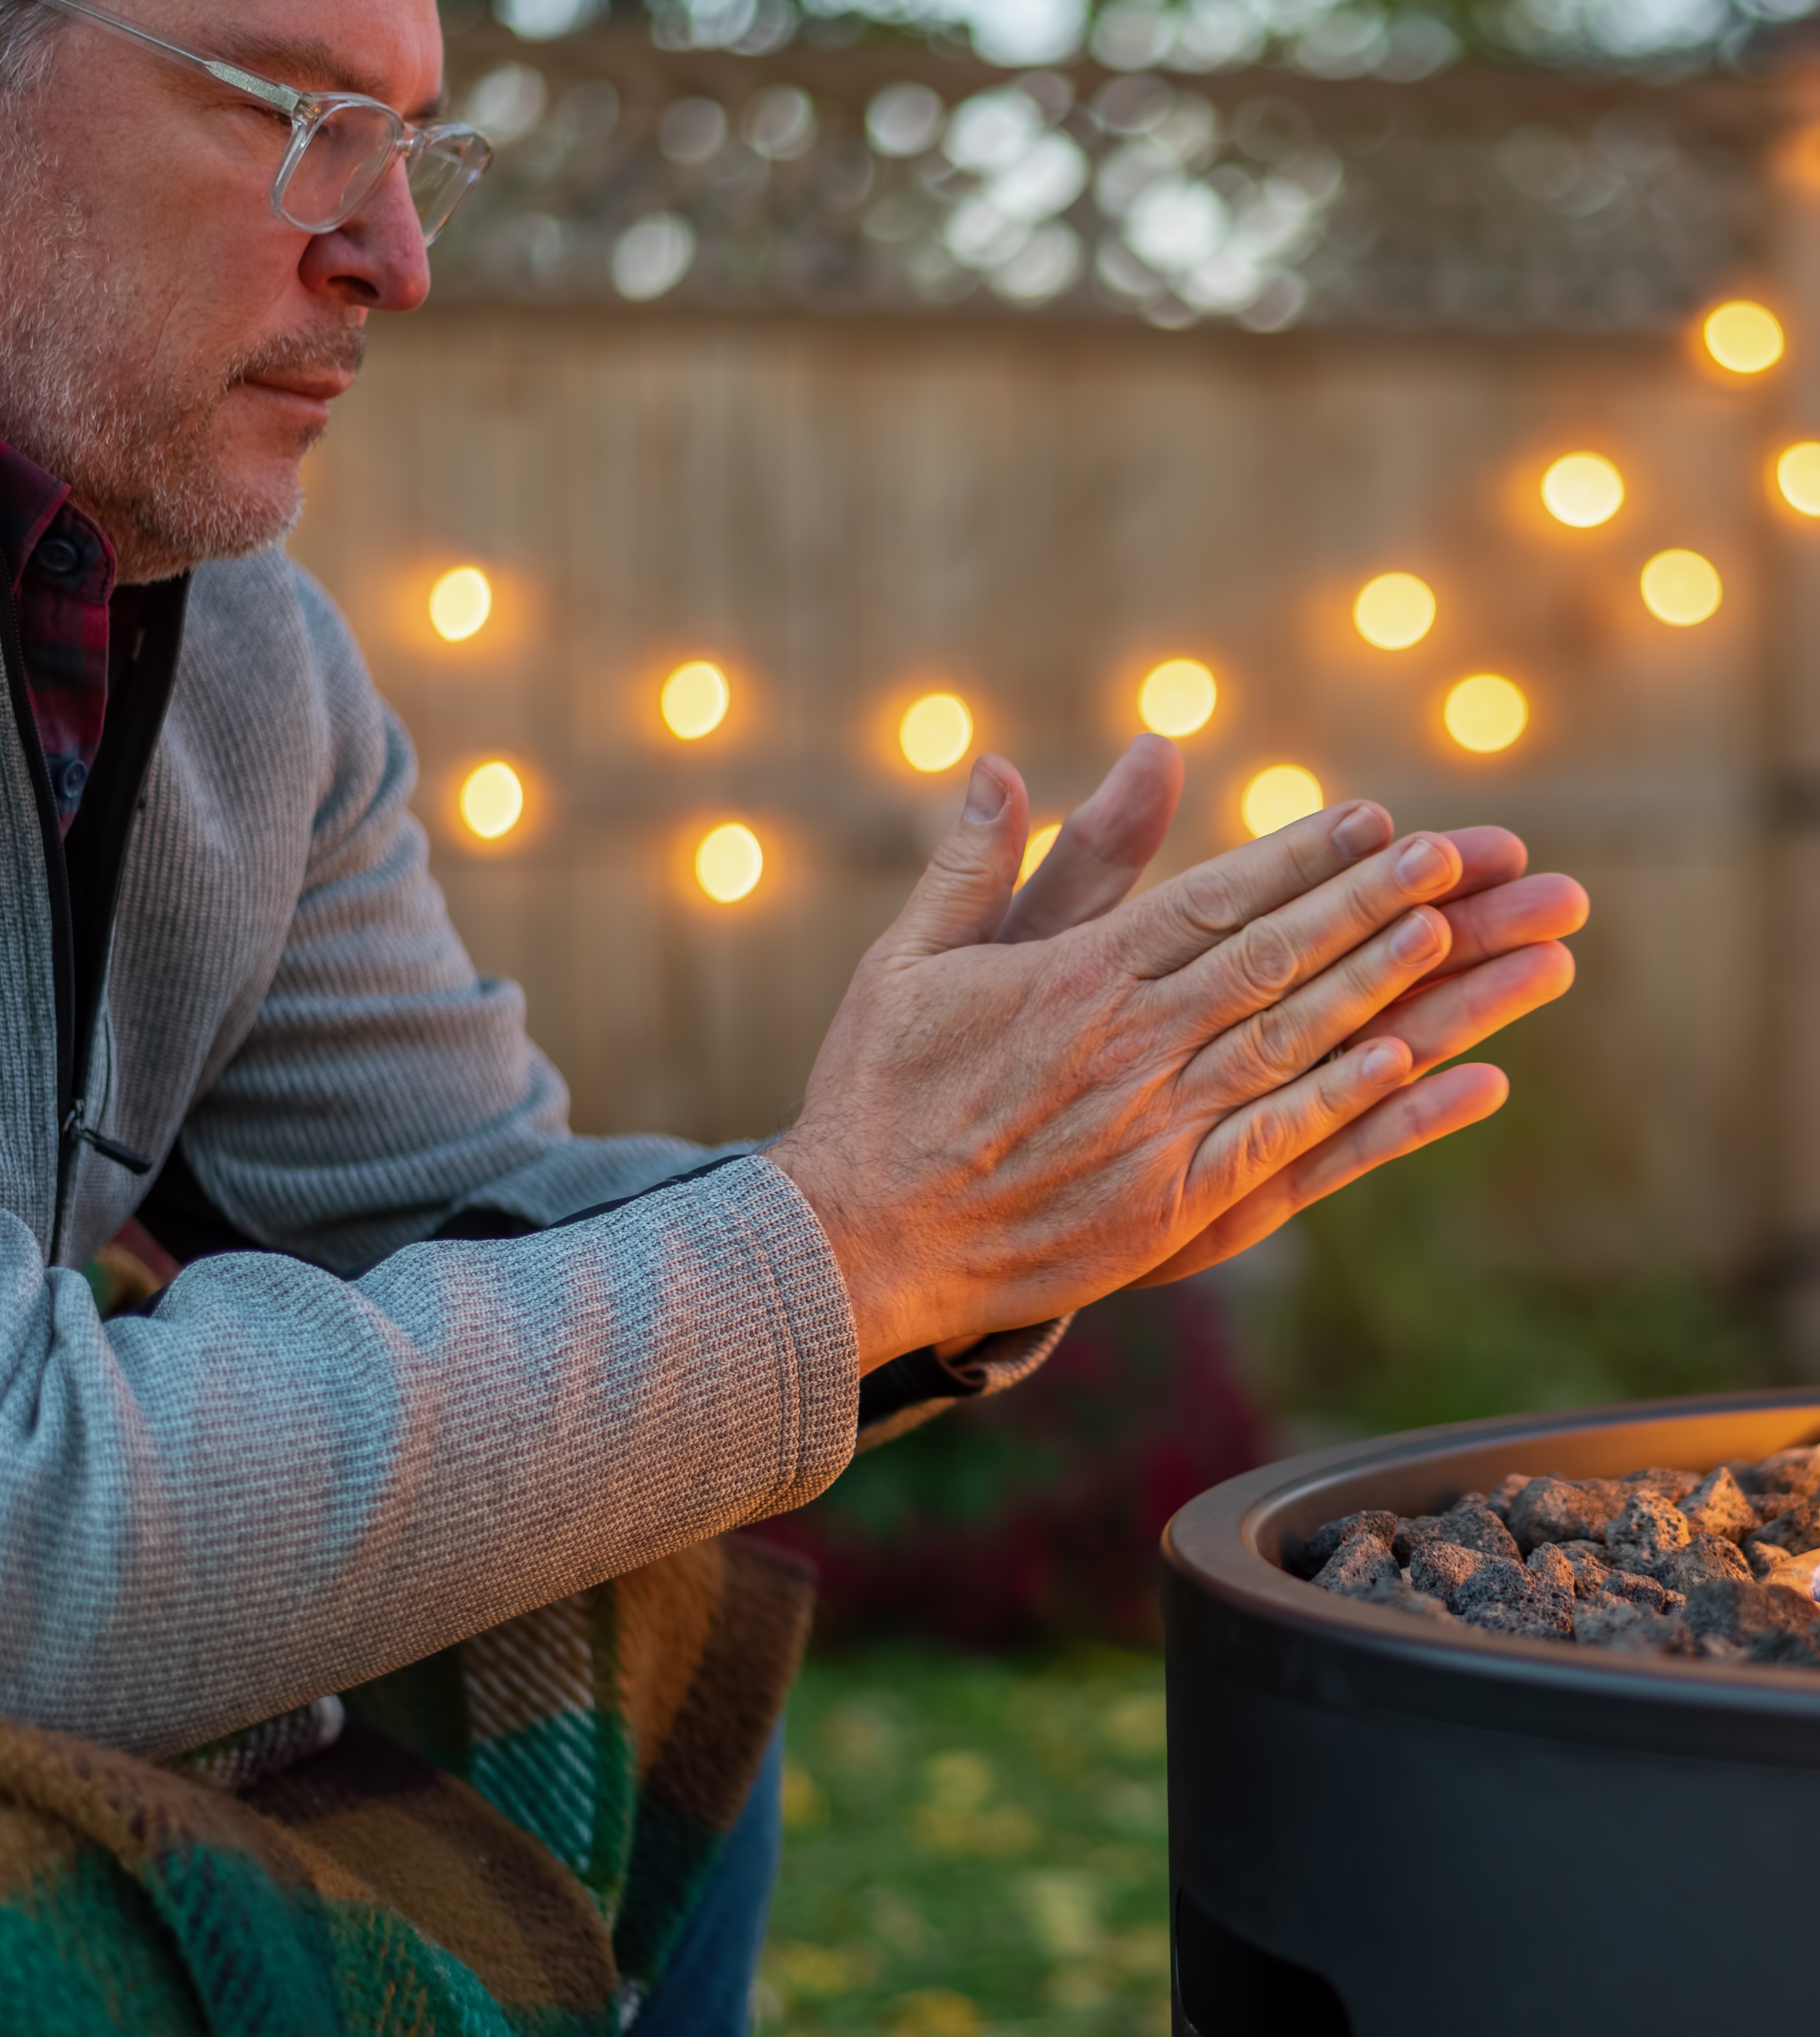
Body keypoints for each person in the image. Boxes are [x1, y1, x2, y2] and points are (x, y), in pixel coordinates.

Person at [0, 0, 1589, 2026]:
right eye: (288, 115)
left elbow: (463, 1218)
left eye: (411, 146)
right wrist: (852, 1243)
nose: (394, 251)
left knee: (639, 1569)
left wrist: (987, 1216)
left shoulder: (252, 666)